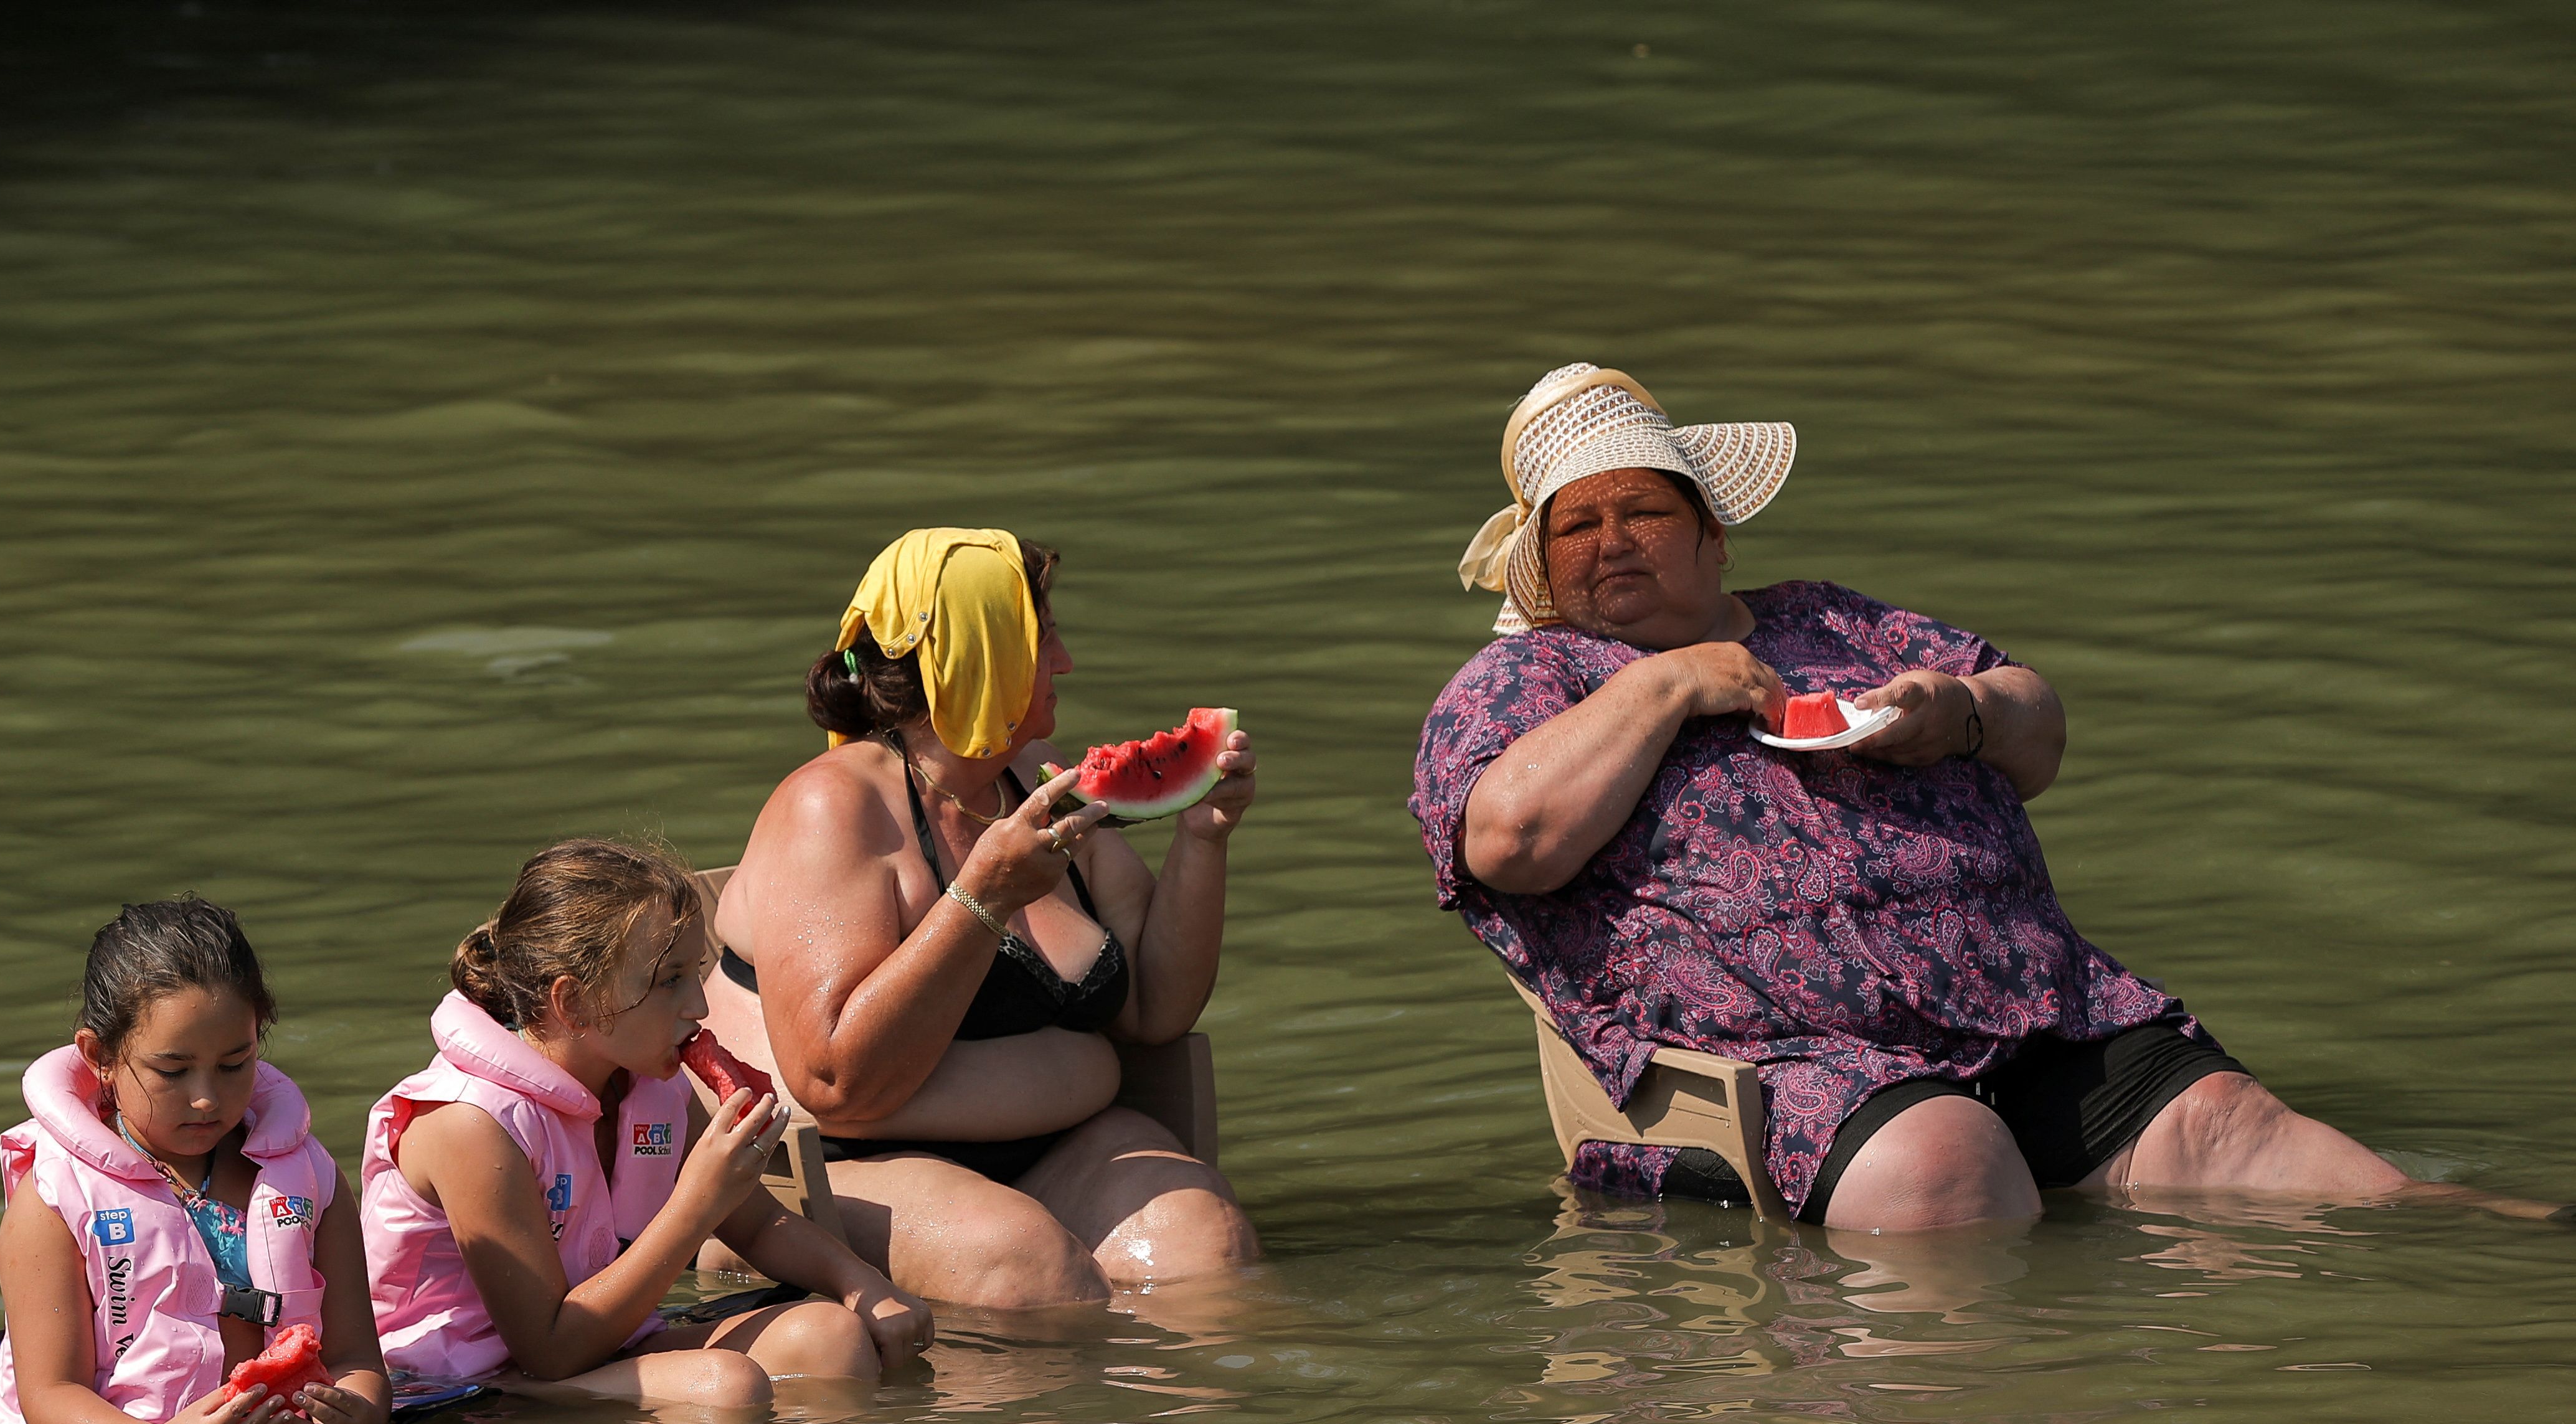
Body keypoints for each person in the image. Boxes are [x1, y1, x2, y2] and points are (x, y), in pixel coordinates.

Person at [1413, 361, 2508, 1232]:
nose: (1613, 540)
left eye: (1644, 510)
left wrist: (1961, 709)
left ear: (1713, 531)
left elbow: (2041, 727)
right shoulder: (1527, 678)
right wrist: (1671, 682)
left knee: (2236, 1129)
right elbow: (1510, 840)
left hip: (2029, 1006)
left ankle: (2513, 1246)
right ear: (1543, 566)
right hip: (1782, 1062)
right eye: (1577, 525)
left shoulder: (1830, 619)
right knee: (1952, 1163)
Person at [704, 527, 1258, 1308]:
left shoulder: (1034, 782)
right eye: (1044, 638)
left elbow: (1156, 1011)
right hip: (843, 1173)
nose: (1065, 661)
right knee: (1029, 1272)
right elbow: (834, 1082)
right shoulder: (832, 807)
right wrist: (982, 901)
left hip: (1058, 1148)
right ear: (982, 654)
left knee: (1207, 1253)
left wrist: (1204, 839)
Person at [364, 838, 933, 1408]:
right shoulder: (471, 1123)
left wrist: (865, 1286)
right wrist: (697, 1203)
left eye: (697, 972)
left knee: (833, 1339)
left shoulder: (650, 1087)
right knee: (728, 1388)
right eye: (669, 980)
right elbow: (549, 1350)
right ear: (575, 1003)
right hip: (464, 1394)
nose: (700, 1006)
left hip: (600, 1348)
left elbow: (759, 1226)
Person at [0, 897, 427, 1424]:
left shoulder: (306, 1176)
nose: (205, 1098)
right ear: (99, 1056)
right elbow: (52, 1401)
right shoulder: (54, 1199)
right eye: (173, 1070)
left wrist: (360, 1415)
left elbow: (356, 1357)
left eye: (234, 1065)